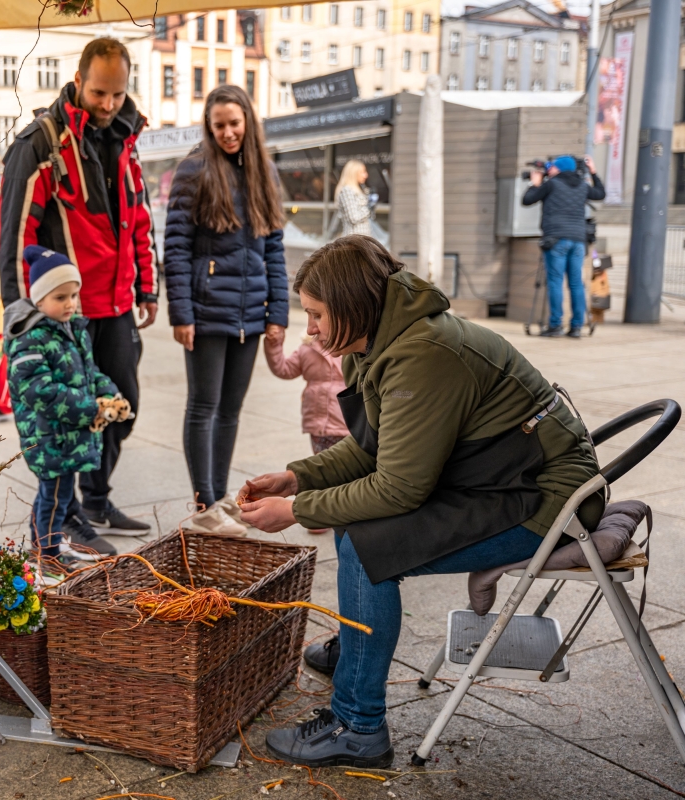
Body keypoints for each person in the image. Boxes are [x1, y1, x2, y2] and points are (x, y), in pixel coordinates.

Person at [238, 235, 603, 768]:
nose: (309, 329)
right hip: (500, 479)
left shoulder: (422, 354)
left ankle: (357, 727)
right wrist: (295, 479)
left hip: (545, 498)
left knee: (365, 547)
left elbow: (399, 487)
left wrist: (295, 512)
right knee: (352, 519)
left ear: (352, 306)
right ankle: (358, 654)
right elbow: (372, 451)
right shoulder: (376, 342)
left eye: (316, 315)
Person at [0, 37, 158, 543]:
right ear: (78, 82)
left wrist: (148, 286)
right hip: (63, 311)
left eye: (118, 95)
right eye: (100, 93)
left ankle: (96, 500)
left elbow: (138, 219)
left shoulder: (125, 138)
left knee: (119, 405)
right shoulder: (40, 142)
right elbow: (14, 235)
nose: (109, 104)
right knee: (67, 416)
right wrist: (19, 313)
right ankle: (66, 511)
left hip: (117, 302)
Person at [164, 84, 287, 536]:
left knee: (231, 409)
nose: (228, 132)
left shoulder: (264, 172)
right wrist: (182, 314)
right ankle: (205, 504)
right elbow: (175, 248)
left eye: (235, 124)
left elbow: (274, 248)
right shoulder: (193, 171)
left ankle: (219, 498)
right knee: (203, 406)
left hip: (250, 313)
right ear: (209, 127)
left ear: (247, 122)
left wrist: (278, 313)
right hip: (205, 308)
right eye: (219, 126)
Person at [6, 246, 128, 573]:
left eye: (74, 295)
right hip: (50, 437)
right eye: (61, 297)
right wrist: (91, 409)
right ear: (39, 299)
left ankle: (45, 548)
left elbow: (90, 374)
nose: (70, 303)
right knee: (55, 496)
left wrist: (109, 393)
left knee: (55, 494)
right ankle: (48, 556)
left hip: (67, 436)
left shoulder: (71, 330)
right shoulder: (30, 337)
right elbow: (37, 390)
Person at [262, 328, 348, 535]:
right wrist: (274, 345)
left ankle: (343, 512)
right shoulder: (306, 349)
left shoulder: (348, 350)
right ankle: (322, 514)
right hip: (317, 422)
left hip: (344, 422)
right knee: (322, 468)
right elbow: (284, 369)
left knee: (345, 469)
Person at [522, 155, 605, 338]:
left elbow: (527, 200)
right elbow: (600, 193)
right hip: (578, 240)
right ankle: (576, 327)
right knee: (576, 284)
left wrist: (534, 183)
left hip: (556, 240)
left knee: (555, 283)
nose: (549, 169)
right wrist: (594, 172)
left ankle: (556, 325)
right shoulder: (583, 186)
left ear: (559, 169)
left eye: (552, 167)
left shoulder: (551, 184)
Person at [334, 160, 373, 238]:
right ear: (353, 173)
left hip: (362, 239)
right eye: (363, 172)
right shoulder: (347, 191)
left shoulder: (359, 190)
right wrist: (369, 207)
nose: (366, 175)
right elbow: (353, 218)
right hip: (353, 240)